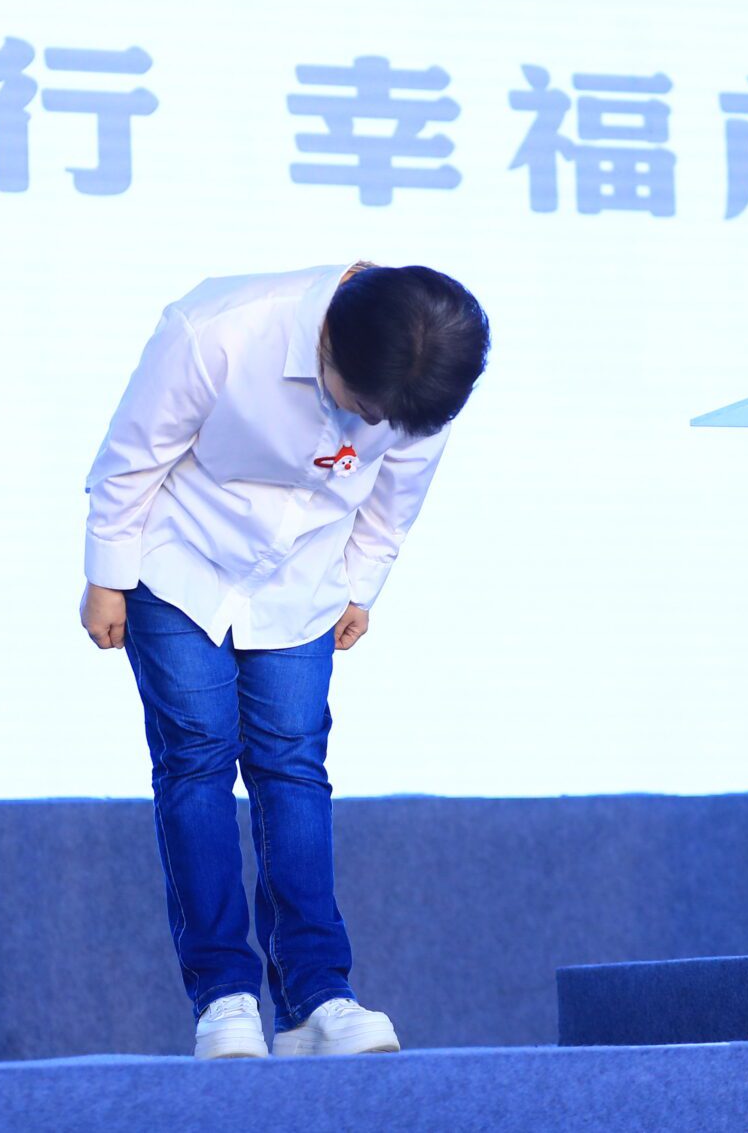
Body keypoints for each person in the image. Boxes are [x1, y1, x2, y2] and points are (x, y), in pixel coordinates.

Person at [77, 260, 490, 1059]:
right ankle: (223, 996)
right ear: (329, 338)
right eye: (363, 405)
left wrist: (360, 586)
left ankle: (316, 996)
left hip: (304, 579)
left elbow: (395, 499)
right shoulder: (218, 331)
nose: (372, 424)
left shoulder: (423, 377)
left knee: (294, 768)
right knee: (197, 761)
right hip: (182, 562)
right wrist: (106, 577)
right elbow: (129, 460)